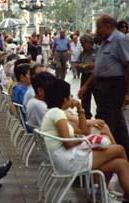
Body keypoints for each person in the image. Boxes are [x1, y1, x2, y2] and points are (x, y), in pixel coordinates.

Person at [41, 79, 129, 199]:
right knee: (119, 149)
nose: (72, 97)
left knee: (121, 164)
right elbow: (69, 143)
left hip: (66, 158)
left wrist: (79, 107)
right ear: (64, 99)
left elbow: (83, 131)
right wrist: (85, 140)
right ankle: (104, 190)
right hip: (67, 161)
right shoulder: (58, 114)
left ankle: (103, 191)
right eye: (70, 95)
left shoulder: (53, 113)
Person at [78, 14, 129, 157]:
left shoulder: (120, 40)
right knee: (118, 125)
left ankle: (102, 159)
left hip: (113, 87)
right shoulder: (104, 43)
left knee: (104, 123)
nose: (97, 31)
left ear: (108, 26)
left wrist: (127, 93)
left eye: (99, 27)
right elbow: (99, 68)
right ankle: (125, 155)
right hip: (101, 87)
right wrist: (86, 86)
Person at [76, 34, 95, 119]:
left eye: (83, 43)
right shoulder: (82, 53)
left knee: (98, 97)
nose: (82, 45)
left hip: (94, 76)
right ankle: (86, 116)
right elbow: (77, 63)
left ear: (89, 43)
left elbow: (99, 64)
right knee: (85, 98)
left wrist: (92, 65)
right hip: (85, 75)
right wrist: (79, 66)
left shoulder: (96, 51)